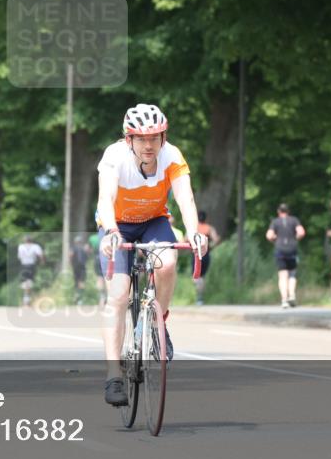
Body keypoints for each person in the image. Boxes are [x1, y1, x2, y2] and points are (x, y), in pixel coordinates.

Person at [97, 104, 207, 407]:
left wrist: (195, 231)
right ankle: (113, 375)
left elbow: (185, 197)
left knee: (168, 262)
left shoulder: (172, 156)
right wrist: (109, 232)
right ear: (128, 139)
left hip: (153, 222)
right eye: (142, 139)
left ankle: (160, 324)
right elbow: (105, 197)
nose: (149, 145)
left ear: (163, 138)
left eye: (155, 138)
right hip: (117, 225)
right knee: (118, 296)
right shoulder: (114, 157)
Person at [266, 203, 306, 308]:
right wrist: (295, 238)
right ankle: (292, 295)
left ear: (278, 212)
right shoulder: (294, 220)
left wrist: (275, 239)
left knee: (282, 275)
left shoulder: (275, 222)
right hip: (292, 249)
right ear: (288, 211)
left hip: (280, 249)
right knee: (292, 273)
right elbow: (301, 232)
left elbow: (269, 235)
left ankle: (284, 299)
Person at [193, 210, 221, 305]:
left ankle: (198, 297)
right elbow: (216, 239)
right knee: (202, 276)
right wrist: (211, 246)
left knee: (196, 277)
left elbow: (185, 239)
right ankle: (200, 298)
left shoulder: (194, 228)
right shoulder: (209, 228)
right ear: (206, 218)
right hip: (206, 254)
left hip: (196, 254)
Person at [17, 235, 45, 306]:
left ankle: (26, 299)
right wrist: (42, 261)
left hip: (23, 265)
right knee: (29, 282)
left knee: (25, 283)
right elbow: (40, 255)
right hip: (31, 265)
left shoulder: (21, 246)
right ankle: (27, 300)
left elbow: (19, 257)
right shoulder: (35, 246)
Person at [70, 235, 90, 305]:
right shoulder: (84, 248)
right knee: (81, 282)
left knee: (76, 282)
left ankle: (76, 297)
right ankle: (80, 298)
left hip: (75, 267)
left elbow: (71, 255)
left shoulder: (73, 248)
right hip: (82, 267)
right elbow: (88, 256)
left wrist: (71, 263)